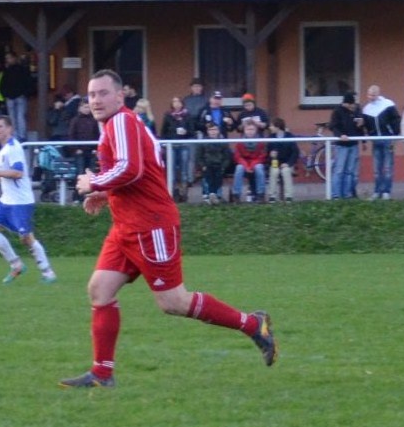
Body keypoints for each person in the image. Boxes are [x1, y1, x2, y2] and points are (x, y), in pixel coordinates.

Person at [59, 68, 275, 388]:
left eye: (103, 93)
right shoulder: (115, 126)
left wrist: (95, 182)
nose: (96, 100)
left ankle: (253, 324)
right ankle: (102, 375)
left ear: (120, 96)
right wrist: (104, 194)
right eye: (91, 94)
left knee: (173, 302)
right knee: (99, 290)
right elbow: (142, 171)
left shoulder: (122, 122)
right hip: (126, 227)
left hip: (151, 226)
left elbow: (130, 169)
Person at [0, 114, 57, 283]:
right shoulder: (3, 150)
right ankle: (16, 265)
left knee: (26, 238)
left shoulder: (13, 148)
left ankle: (47, 272)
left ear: (10, 129)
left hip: (20, 202)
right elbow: (0, 177)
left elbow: (18, 173)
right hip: (6, 200)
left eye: (0, 126)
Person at [361, 84, 400, 200]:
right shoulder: (367, 109)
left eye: (373, 95)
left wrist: (395, 136)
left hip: (388, 139)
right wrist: (367, 137)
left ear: (378, 94)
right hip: (375, 140)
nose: (370, 97)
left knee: (388, 167)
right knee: (377, 168)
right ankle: (377, 191)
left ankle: (386, 191)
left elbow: (396, 120)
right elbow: (366, 126)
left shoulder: (388, 104)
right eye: (369, 95)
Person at [328, 91, 362, 199]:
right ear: (347, 103)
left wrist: (360, 125)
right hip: (341, 145)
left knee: (349, 171)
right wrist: (340, 135)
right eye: (351, 104)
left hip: (353, 144)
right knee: (339, 170)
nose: (353, 106)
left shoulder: (356, 111)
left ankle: (347, 194)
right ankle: (336, 195)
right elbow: (333, 126)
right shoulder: (337, 111)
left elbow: (359, 127)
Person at [230, 116, 268, 202]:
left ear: (256, 130)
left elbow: (262, 156)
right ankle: (236, 195)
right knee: (239, 168)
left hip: (256, 163)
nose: (250, 131)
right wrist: (246, 166)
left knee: (259, 168)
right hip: (244, 163)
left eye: (252, 129)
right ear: (244, 130)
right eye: (248, 129)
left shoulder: (261, 142)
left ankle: (260, 194)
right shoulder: (240, 142)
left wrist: (252, 165)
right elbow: (237, 156)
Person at [0, 51, 33, 136]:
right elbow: (2, 84)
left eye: (9, 58)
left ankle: (21, 136)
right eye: (7, 58)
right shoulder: (7, 70)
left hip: (19, 97)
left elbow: (28, 82)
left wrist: (25, 94)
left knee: (19, 117)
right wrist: (5, 95)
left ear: (14, 58)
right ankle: (16, 136)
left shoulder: (22, 69)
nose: (8, 60)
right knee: (13, 118)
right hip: (11, 98)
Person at [197, 122, 231, 202]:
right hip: (207, 165)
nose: (213, 132)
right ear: (207, 131)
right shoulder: (203, 142)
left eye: (215, 129)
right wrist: (203, 165)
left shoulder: (223, 142)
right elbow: (199, 156)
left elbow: (227, 157)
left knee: (218, 177)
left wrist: (223, 166)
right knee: (208, 177)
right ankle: (209, 194)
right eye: (210, 130)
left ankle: (216, 195)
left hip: (219, 165)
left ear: (218, 131)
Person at [268, 116, 298, 202]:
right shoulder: (271, 137)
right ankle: (272, 196)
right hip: (275, 162)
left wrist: (288, 164)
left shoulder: (289, 136)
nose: (270, 127)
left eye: (272, 126)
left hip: (287, 163)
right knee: (274, 171)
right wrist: (270, 155)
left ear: (277, 127)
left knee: (286, 171)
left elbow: (295, 152)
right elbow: (267, 151)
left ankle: (289, 196)